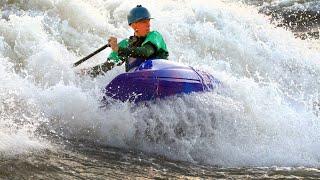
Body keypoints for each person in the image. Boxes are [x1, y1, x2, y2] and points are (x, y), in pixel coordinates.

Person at [86, 5, 169, 77]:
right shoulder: (126, 44)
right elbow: (107, 66)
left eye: (148, 21)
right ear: (134, 25)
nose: (148, 25)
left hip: (161, 73)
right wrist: (85, 73)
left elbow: (146, 52)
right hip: (139, 79)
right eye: (144, 22)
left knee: (144, 62)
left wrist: (119, 49)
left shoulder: (154, 35)